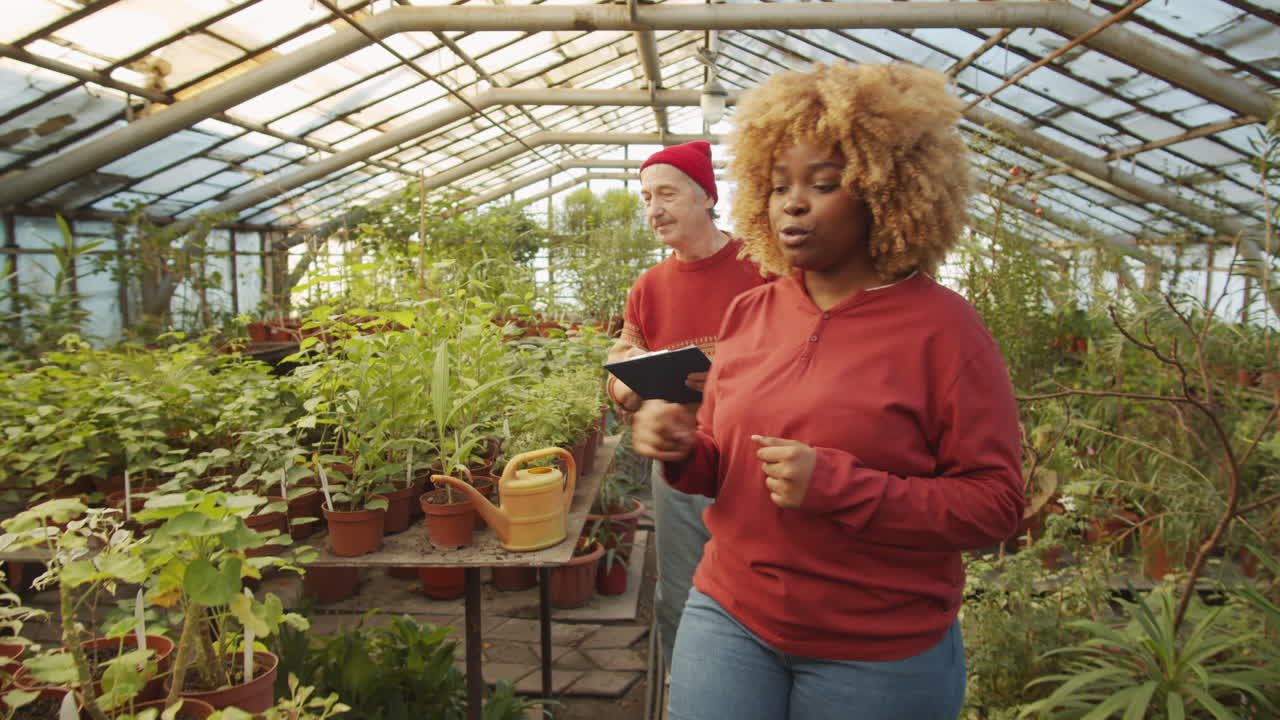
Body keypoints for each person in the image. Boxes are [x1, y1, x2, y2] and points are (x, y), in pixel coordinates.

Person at [631, 62, 1025, 720]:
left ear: (886, 193)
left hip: (877, 649)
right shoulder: (751, 315)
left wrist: (843, 488)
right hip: (730, 617)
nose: (792, 201)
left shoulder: (944, 330)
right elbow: (720, 464)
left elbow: (995, 504)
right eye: (779, 183)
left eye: (824, 183)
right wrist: (680, 449)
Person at [605, 140, 769, 673]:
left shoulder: (762, 269)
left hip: (757, 462)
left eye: (667, 194)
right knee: (679, 589)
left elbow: (804, 350)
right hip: (679, 463)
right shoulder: (648, 286)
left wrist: (728, 361)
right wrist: (623, 383)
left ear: (707, 197)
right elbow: (623, 358)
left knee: (760, 588)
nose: (654, 210)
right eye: (647, 198)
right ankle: (686, 687)